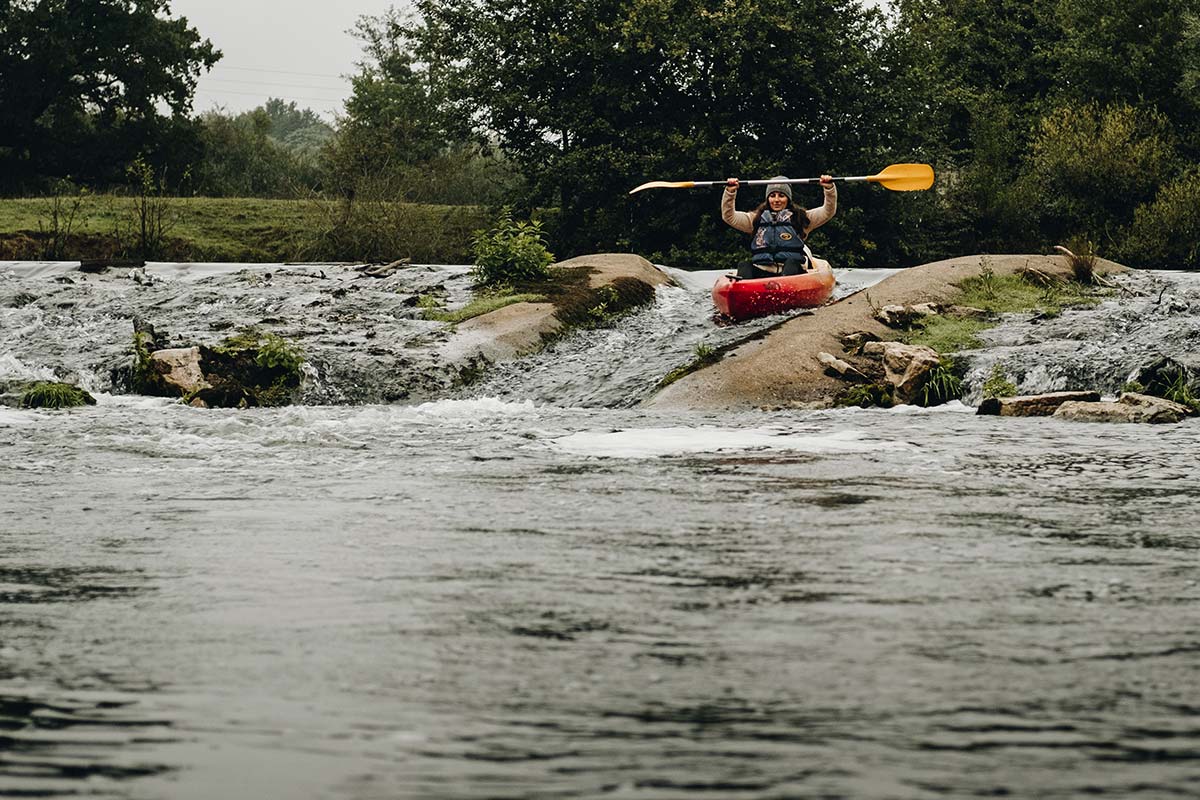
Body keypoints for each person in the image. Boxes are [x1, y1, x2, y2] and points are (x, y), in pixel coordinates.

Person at [722, 174, 836, 279]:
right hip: (764, 269)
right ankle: (745, 295)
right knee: (744, 265)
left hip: (793, 271)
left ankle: (788, 294)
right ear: (768, 198)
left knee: (791, 263)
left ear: (788, 199)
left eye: (781, 195)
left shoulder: (800, 218)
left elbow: (828, 211)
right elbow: (729, 216)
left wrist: (829, 189)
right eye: (772, 196)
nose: (776, 200)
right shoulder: (755, 219)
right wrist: (730, 192)